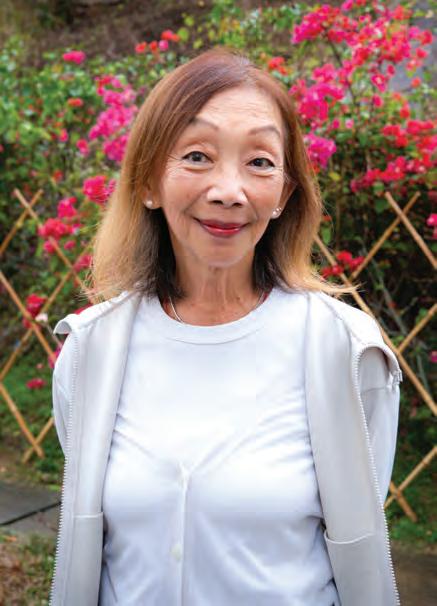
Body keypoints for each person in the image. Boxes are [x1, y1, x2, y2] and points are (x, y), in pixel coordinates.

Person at [49, 47, 402, 606]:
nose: (229, 191)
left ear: (285, 194)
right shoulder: (92, 350)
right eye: (197, 155)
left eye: (260, 162)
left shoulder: (346, 351)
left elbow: (358, 532)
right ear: (148, 181)